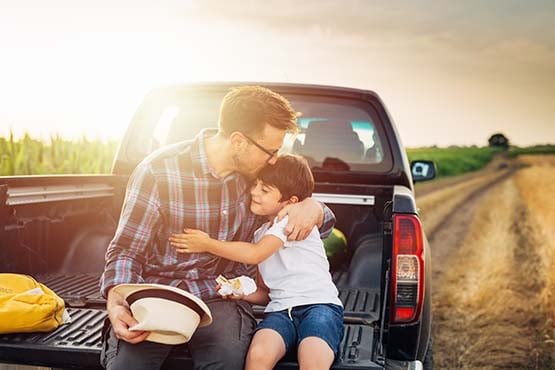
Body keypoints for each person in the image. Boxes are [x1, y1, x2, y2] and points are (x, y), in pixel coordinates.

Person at [99, 86, 336, 370]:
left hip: (220, 296)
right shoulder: (158, 172)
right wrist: (116, 302)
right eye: (271, 151)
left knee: (227, 362)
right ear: (238, 142)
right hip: (161, 294)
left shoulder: (259, 180)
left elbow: (305, 226)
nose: (274, 160)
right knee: (128, 367)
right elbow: (126, 250)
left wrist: (315, 207)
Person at [170, 154, 344, 370]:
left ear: (290, 202)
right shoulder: (261, 233)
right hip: (280, 311)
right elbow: (266, 291)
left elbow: (255, 255)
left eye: (265, 190)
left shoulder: (289, 221)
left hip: (319, 307)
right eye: (255, 184)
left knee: (312, 360)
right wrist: (241, 293)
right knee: (258, 357)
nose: (254, 192)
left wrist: (207, 244)